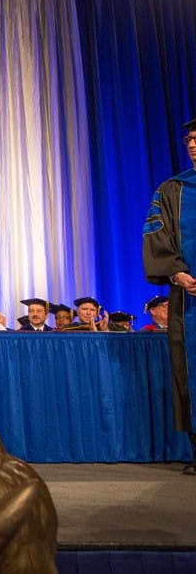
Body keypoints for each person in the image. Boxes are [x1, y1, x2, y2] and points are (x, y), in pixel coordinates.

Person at [144, 116, 196, 474]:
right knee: (189, 369)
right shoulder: (171, 190)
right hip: (188, 299)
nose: (192, 145)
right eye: (190, 139)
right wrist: (177, 272)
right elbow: (156, 237)